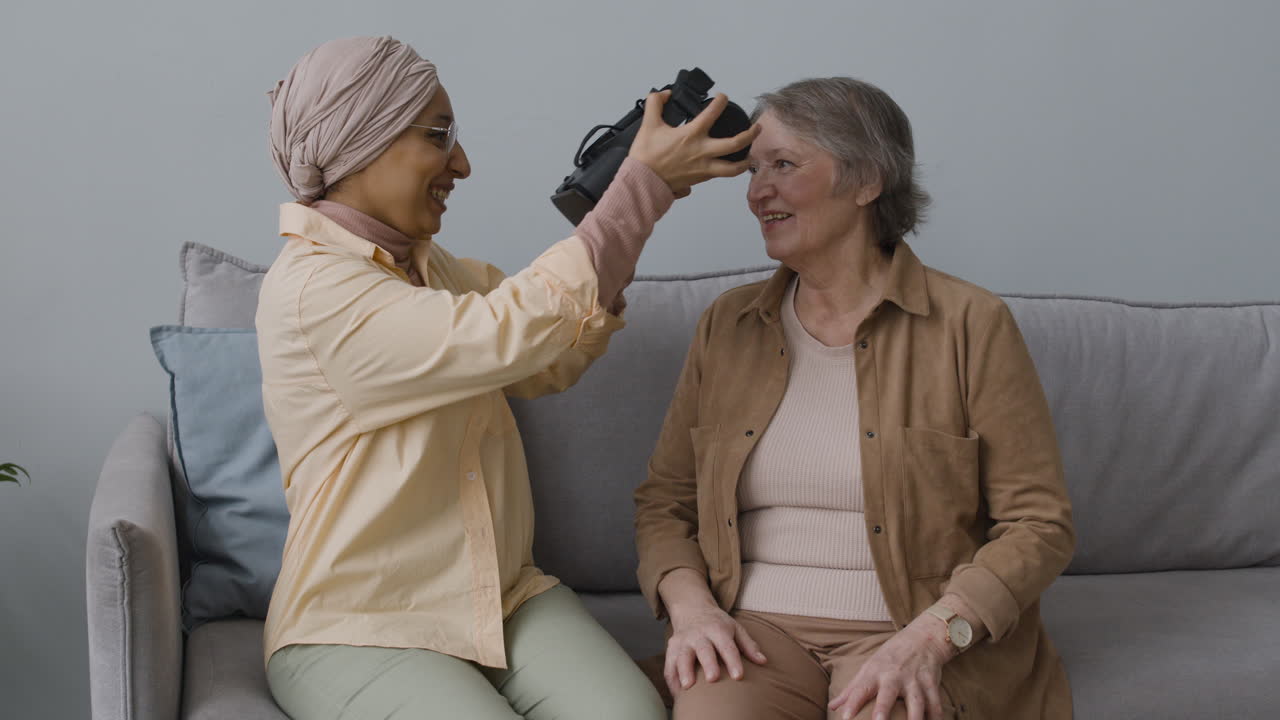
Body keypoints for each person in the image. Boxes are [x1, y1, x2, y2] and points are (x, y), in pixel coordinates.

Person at [256, 36, 758, 720]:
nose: (460, 163)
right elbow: (504, 332)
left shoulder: (431, 268)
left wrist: (632, 206)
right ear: (360, 145)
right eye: (438, 137)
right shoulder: (314, 290)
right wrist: (640, 188)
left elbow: (548, 359)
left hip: (503, 595)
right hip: (357, 625)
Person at [634, 76, 1075, 720]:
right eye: (753, 171)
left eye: (783, 165)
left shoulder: (970, 324)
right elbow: (664, 501)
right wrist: (694, 610)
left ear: (868, 180)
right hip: (754, 637)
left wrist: (932, 638)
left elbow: (1040, 524)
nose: (758, 192)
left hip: (909, 632)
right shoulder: (727, 326)